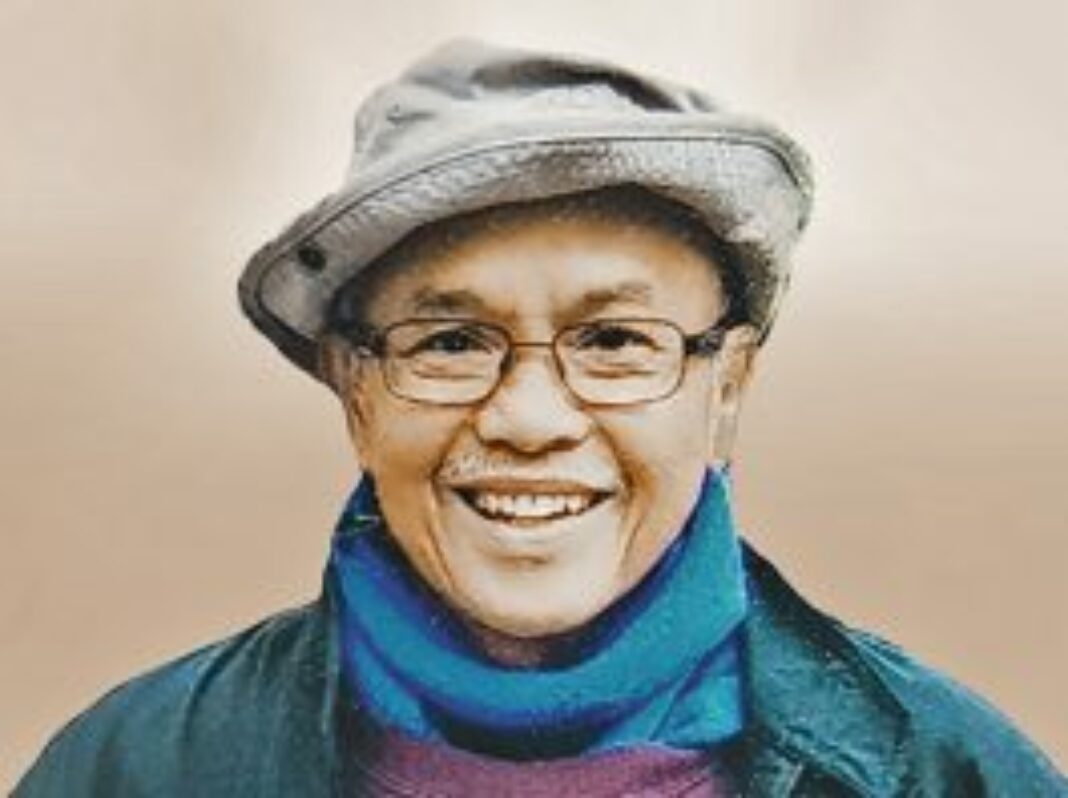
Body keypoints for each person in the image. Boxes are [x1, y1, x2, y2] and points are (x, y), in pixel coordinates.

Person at [15, 39, 1065, 797]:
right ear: (356, 392)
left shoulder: (947, 772)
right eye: (450, 343)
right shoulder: (135, 768)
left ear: (726, 391)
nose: (528, 418)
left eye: (614, 341)